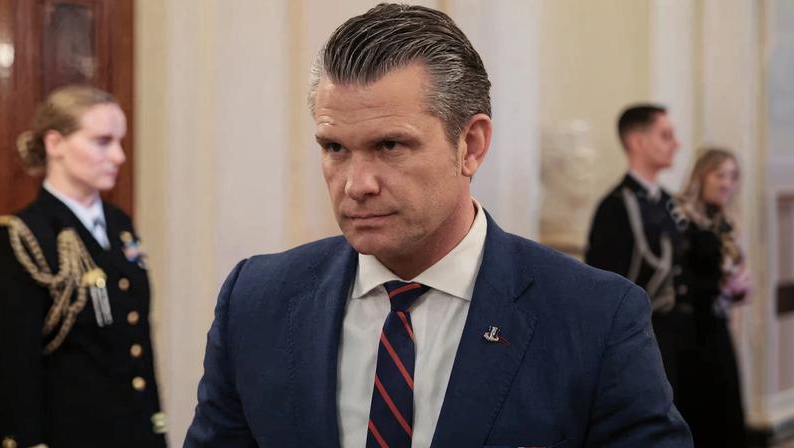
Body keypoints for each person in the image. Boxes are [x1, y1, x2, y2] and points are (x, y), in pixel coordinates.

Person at [186, 4, 691, 447]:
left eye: (390, 146)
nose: (356, 183)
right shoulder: (255, 303)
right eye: (334, 148)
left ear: (470, 145)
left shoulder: (595, 316)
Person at [0, 86, 167, 448]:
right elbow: (16, 362)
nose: (119, 156)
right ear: (55, 143)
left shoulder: (118, 223)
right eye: (102, 142)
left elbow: (136, 342)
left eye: (120, 142)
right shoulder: (24, 236)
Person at [585, 104, 693, 402]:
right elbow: (606, 284)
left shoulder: (669, 203)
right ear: (638, 141)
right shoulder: (616, 207)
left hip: (681, 339)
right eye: (666, 136)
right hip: (644, 339)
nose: (676, 144)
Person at [677, 148, 749, 447]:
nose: (726, 183)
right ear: (701, 176)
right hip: (689, 331)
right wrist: (723, 287)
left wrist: (740, 287)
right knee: (700, 410)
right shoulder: (683, 220)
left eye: (732, 176)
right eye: (720, 174)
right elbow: (683, 279)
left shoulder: (724, 224)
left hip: (717, 325)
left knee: (727, 407)